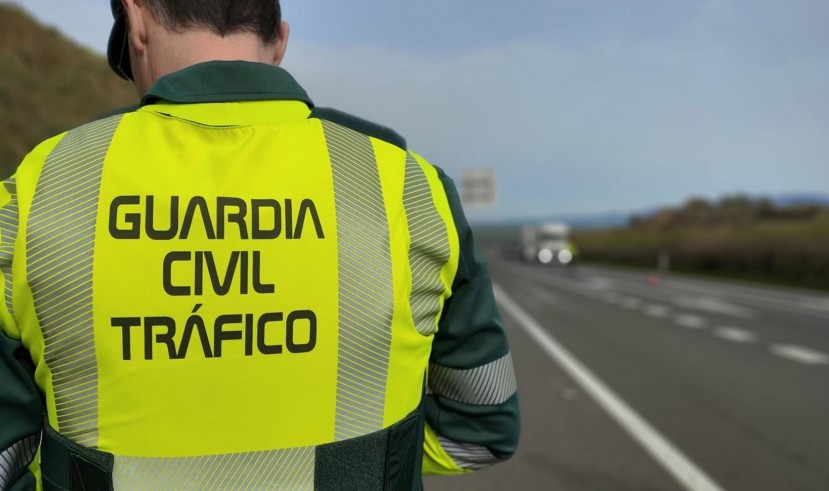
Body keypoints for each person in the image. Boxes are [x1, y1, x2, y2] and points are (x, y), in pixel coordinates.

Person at [0, 0, 520, 489]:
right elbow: (481, 429)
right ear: (279, 41)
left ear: (136, 20)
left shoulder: (39, 193)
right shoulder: (409, 189)